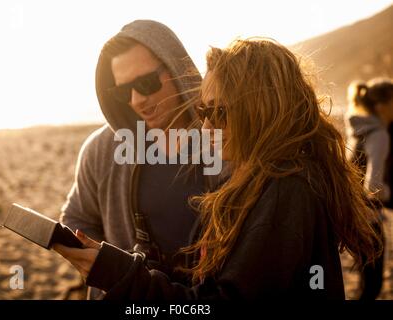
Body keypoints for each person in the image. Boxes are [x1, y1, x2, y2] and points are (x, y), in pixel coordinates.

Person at [54, 38, 382, 300]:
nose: (206, 125)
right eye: (203, 110)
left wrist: (118, 273)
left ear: (261, 109)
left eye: (220, 113)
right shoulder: (269, 177)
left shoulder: (285, 189)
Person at [58, 20, 211, 299]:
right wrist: (109, 263)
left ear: (178, 69)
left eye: (146, 83)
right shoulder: (101, 149)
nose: (137, 100)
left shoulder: (225, 139)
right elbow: (77, 217)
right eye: (122, 91)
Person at [345, 78, 393, 299]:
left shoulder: (359, 130)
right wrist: (389, 194)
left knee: (366, 284)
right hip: (369, 219)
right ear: (383, 105)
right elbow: (372, 185)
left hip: (352, 215)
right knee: (372, 287)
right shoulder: (380, 134)